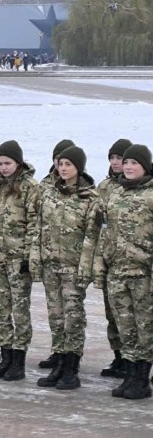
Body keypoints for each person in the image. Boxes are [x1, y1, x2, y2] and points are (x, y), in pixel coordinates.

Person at [30, 145, 101, 390]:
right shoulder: (49, 193)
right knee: (56, 316)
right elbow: (38, 228)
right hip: (51, 264)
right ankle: (59, 362)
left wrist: (85, 268)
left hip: (73, 267)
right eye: (60, 164)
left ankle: (72, 367)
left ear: (78, 167)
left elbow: (92, 237)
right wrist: (36, 258)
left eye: (68, 165)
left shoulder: (89, 197)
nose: (63, 169)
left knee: (73, 317)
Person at [0, 140, 38, 381]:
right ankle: (6, 356)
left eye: (8, 163)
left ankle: (19, 360)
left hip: (17, 258)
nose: (3, 168)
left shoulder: (29, 187)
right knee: (0, 309)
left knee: (20, 310)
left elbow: (34, 223)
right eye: (0, 163)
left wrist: (27, 256)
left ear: (18, 162)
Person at [96, 144, 153, 399]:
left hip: (143, 274)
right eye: (126, 163)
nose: (128, 167)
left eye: (134, 164)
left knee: (145, 328)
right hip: (117, 272)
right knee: (125, 327)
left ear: (145, 167)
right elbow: (104, 232)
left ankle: (142, 379)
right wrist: (102, 265)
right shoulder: (115, 193)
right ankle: (130, 374)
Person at [96, 138, 133, 379]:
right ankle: (119, 357)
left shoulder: (140, 187)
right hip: (111, 259)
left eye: (120, 158)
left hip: (135, 263)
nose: (116, 162)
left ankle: (138, 362)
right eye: (113, 158)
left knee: (138, 316)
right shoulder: (106, 186)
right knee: (113, 312)